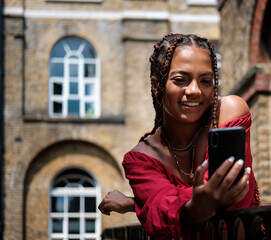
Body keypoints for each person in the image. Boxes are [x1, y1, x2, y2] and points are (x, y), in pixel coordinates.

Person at [98, 33, 261, 239]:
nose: (194, 90)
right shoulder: (140, 159)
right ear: (157, 84)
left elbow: (226, 195)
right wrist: (162, 207)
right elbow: (196, 207)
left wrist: (138, 204)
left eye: (205, 80)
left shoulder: (228, 113)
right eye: (180, 80)